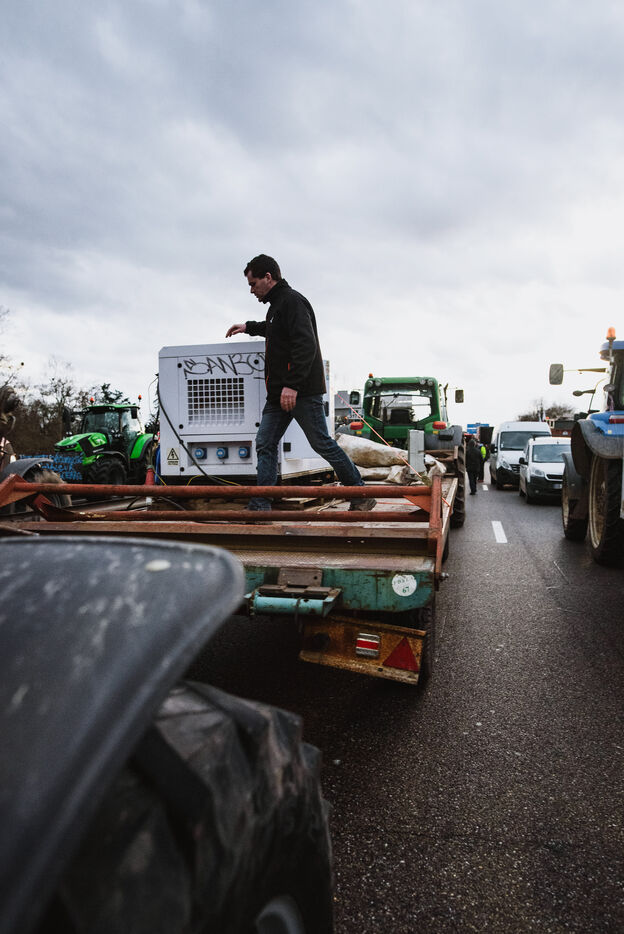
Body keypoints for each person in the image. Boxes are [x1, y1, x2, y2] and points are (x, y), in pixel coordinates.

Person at [226, 254, 375, 512]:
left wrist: (292, 385)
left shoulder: (292, 301)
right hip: (278, 395)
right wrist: (248, 327)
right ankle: (261, 505)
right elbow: (274, 329)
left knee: (321, 443)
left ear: (268, 277)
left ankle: (360, 493)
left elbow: (306, 345)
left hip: (301, 392)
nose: (251, 290)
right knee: (265, 443)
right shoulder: (277, 306)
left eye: (253, 284)